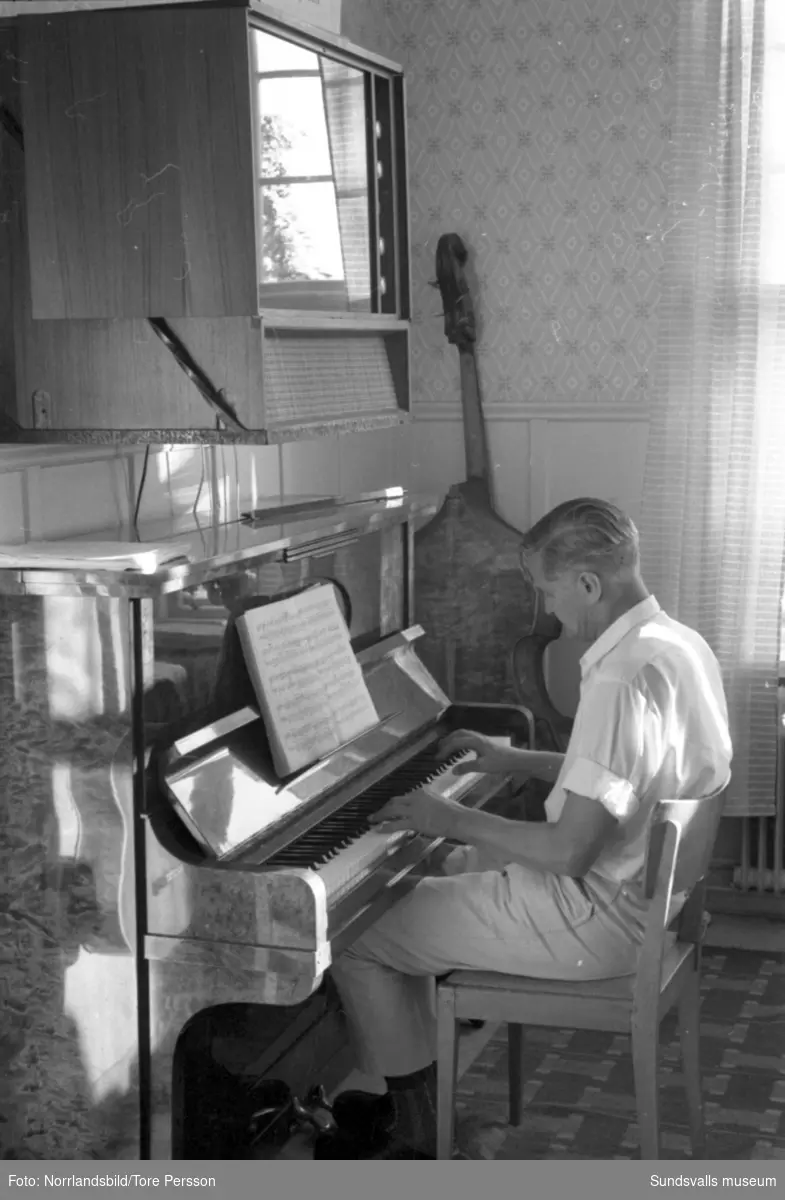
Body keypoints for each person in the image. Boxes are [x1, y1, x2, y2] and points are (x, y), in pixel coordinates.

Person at [330, 498, 732, 1158]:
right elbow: (623, 781)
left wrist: (449, 816)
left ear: (586, 584)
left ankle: (415, 1129)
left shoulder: (618, 680)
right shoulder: (677, 646)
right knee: (426, 874)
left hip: (593, 921)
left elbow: (569, 851)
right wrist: (515, 760)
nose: (547, 611)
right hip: (649, 907)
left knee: (351, 933)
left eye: (546, 590)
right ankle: (425, 1070)